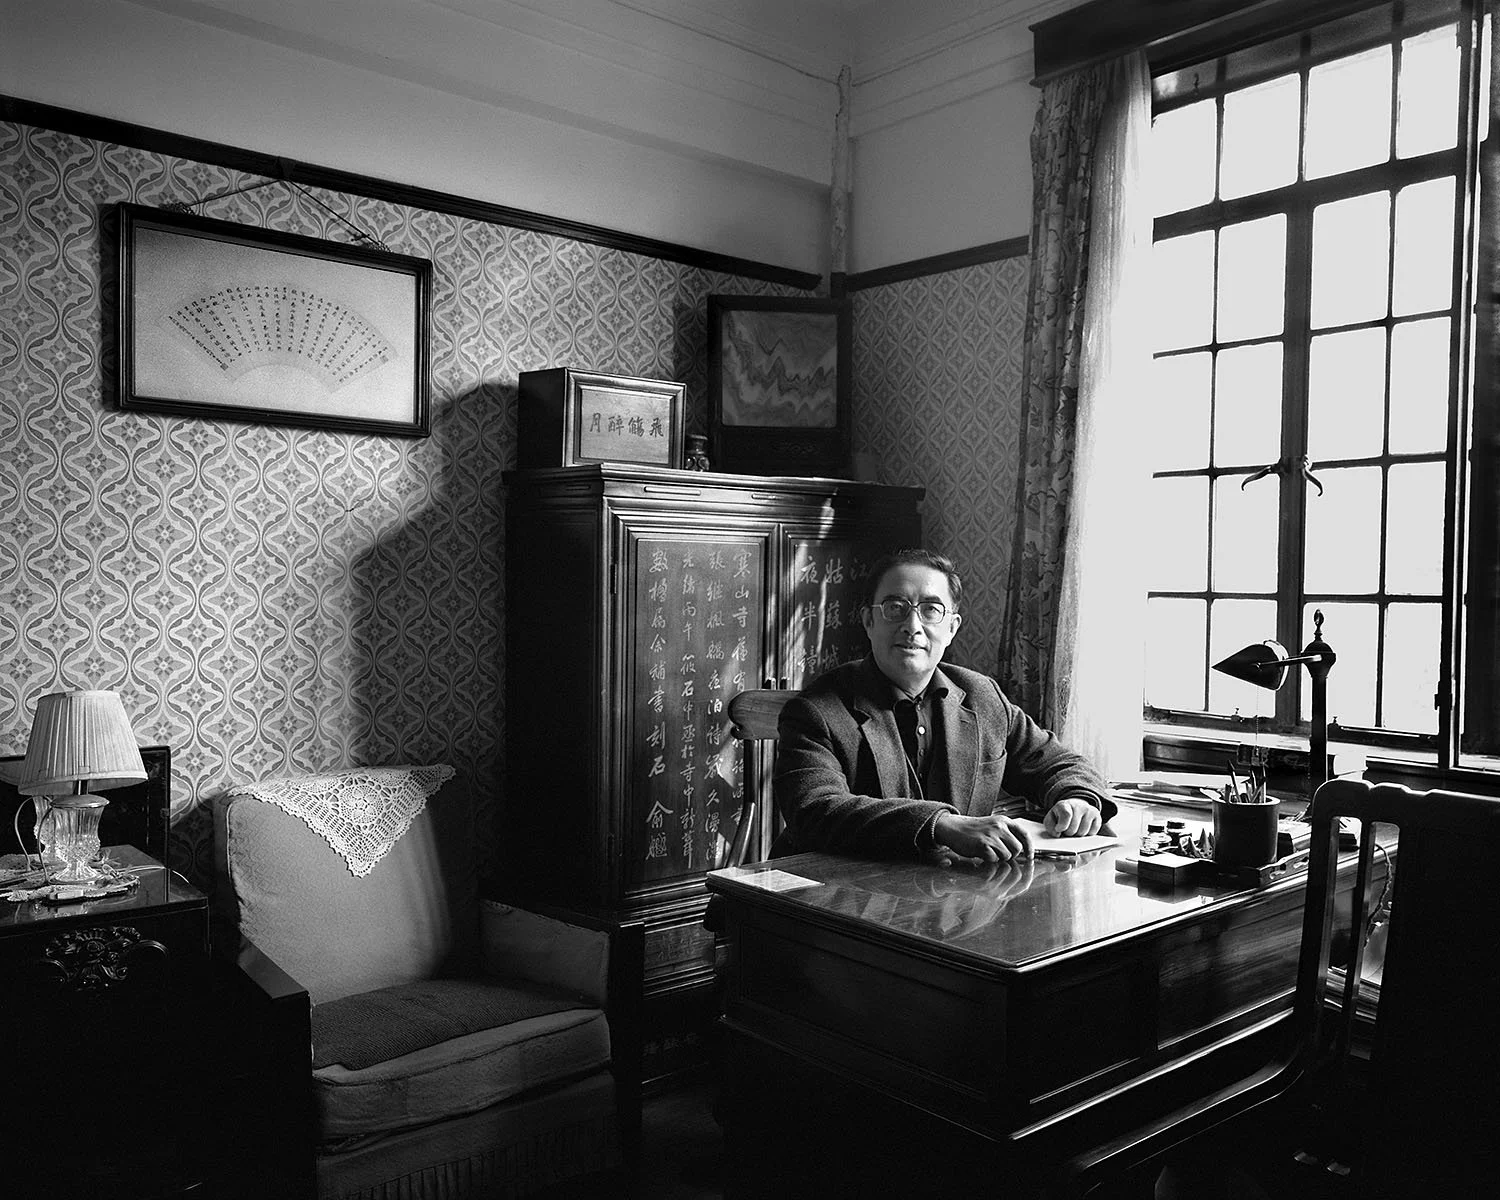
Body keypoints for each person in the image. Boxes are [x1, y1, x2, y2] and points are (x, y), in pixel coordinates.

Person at [772, 548, 1115, 862]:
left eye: (931, 610)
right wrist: (941, 825)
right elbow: (815, 810)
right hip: (833, 897)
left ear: (952, 628)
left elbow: (1057, 761)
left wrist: (1078, 799)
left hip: (948, 898)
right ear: (868, 622)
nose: (912, 627)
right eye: (895, 609)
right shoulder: (816, 710)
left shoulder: (981, 695)